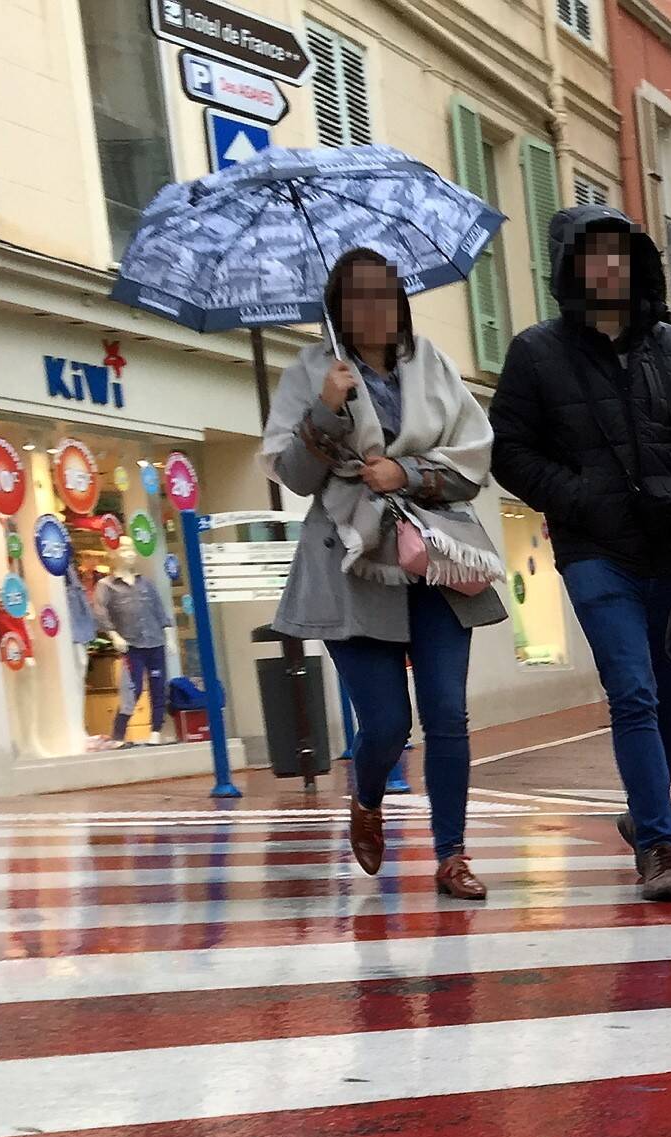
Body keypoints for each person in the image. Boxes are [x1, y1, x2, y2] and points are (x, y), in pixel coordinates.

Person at [489, 205, 671, 902]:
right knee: (633, 695)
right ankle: (660, 847)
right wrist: (577, 496)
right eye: (594, 253)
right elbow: (510, 453)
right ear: (569, 266)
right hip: (596, 552)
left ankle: (643, 812)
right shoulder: (535, 353)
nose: (610, 265)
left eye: (621, 252)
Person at [264, 247, 506, 900]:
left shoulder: (433, 363)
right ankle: (366, 797)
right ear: (337, 306)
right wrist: (325, 409)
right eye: (356, 294)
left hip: (432, 555)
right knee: (387, 725)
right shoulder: (312, 371)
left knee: (447, 714)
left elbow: (474, 455)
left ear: (399, 299)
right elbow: (291, 475)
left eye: (383, 292)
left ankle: (452, 855)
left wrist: (410, 472)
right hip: (349, 561)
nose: (371, 306)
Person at [92, 552, 173, 748]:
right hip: (131, 645)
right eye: (124, 550)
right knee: (132, 688)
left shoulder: (146, 583)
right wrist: (114, 635)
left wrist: (169, 637)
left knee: (158, 687)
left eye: (131, 550)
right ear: (114, 555)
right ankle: (119, 734)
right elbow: (101, 614)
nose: (129, 554)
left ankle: (155, 731)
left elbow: (159, 610)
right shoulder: (106, 586)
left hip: (155, 641)